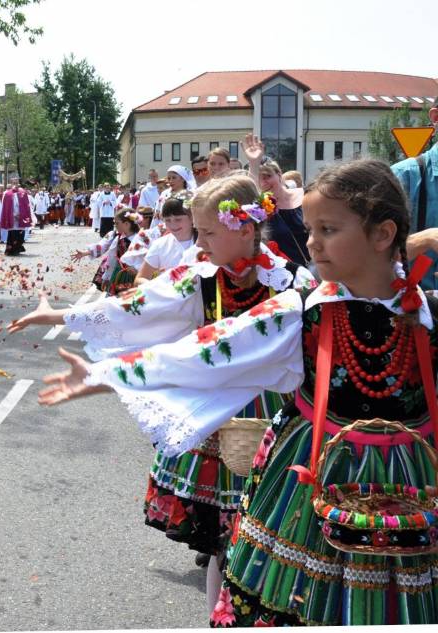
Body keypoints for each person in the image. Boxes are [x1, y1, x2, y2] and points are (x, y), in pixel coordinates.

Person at [30, 160, 438, 627]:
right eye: (310, 229)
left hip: (416, 478)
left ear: (383, 234)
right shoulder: (302, 310)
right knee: (305, 597)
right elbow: (206, 350)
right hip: (314, 474)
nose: (311, 242)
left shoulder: (427, 315)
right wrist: (106, 374)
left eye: (327, 229)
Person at [10, 174, 314, 619]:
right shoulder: (201, 276)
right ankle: (217, 617)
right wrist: (61, 315)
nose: (199, 243)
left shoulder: (292, 282)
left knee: (268, 537)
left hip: (276, 420)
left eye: (207, 232)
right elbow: (137, 305)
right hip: (213, 415)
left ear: (246, 228)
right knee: (222, 539)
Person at [392, 97, 438, 290]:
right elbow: (365, 255)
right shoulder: (402, 176)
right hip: (413, 304)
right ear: (436, 117)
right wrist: (427, 239)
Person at [73, 208, 140, 295]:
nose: (115, 225)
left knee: (128, 299)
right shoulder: (114, 235)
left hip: (132, 275)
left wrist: (137, 268)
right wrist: (84, 253)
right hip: (115, 272)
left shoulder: (140, 239)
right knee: (112, 297)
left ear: (127, 224)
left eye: (117, 223)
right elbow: (101, 246)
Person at [134, 198, 200, 284]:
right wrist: (160, 287)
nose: (173, 224)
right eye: (168, 220)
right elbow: (140, 278)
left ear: (192, 218)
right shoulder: (160, 245)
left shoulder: (204, 242)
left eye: (178, 219)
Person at [0, 178, 31, 255]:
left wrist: (21, 215)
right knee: (12, 234)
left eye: (16, 182)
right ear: (11, 184)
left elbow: (26, 206)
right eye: (14, 183)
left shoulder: (23, 193)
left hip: (21, 217)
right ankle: (11, 250)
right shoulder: (7, 194)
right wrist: (13, 215)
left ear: (18, 183)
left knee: (20, 233)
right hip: (12, 218)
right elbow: (6, 208)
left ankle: (18, 249)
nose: (15, 184)